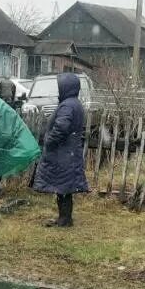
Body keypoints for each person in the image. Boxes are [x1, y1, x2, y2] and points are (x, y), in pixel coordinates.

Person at [33, 73, 88, 227]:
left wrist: (49, 142)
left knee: (63, 187)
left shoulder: (68, 105)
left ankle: (64, 220)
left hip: (63, 152)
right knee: (65, 187)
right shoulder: (73, 103)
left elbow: (61, 127)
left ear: (66, 87)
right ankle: (64, 218)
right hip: (68, 151)